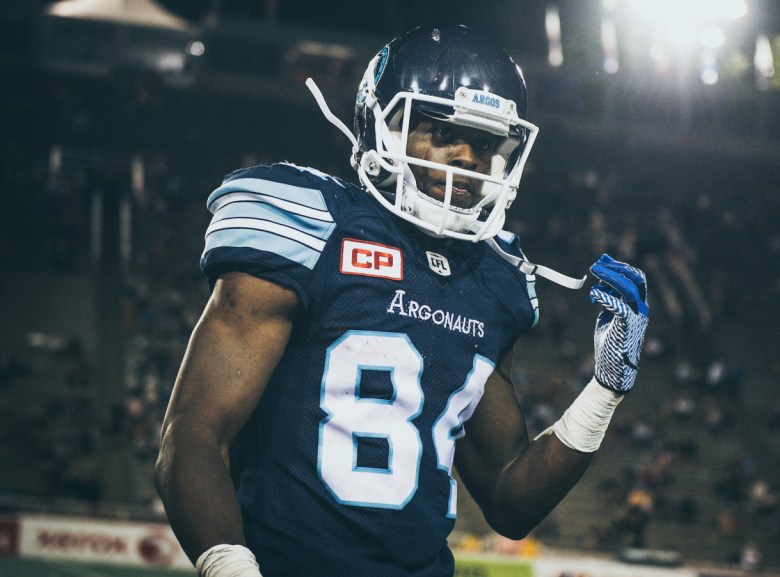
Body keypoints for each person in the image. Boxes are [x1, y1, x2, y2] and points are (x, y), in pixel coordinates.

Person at [155, 25, 649, 577]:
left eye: (485, 144)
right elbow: (193, 436)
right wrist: (232, 568)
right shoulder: (311, 225)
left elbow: (511, 500)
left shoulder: (493, 276)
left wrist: (605, 389)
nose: (468, 158)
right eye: (442, 132)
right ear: (382, 127)